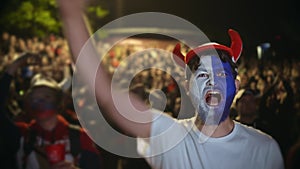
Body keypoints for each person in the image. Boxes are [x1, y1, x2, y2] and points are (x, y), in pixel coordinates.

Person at [56, 0, 284, 168]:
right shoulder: (170, 137)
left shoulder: (264, 149)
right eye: (202, 75)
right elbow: (106, 94)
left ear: (236, 84)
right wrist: (72, 16)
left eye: (222, 75)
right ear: (187, 87)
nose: (213, 82)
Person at [0, 53, 103, 169]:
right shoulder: (22, 136)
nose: (40, 102)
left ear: (58, 102)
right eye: (35, 98)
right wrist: (15, 65)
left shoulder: (80, 137)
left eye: (47, 97)